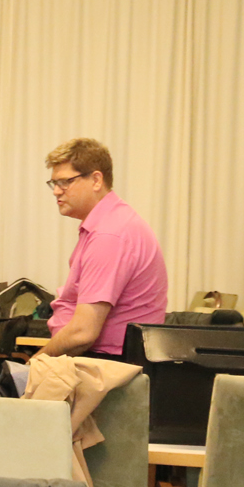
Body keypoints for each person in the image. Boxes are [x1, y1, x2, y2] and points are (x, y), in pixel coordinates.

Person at [37, 138, 167, 357]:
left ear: (96, 180)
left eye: (65, 182)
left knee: (9, 378)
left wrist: (36, 363)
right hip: (101, 360)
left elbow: (82, 334)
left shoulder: (110, 235)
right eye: (54, 183)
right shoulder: (110, 223)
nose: (56, 192)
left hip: (107, 364)